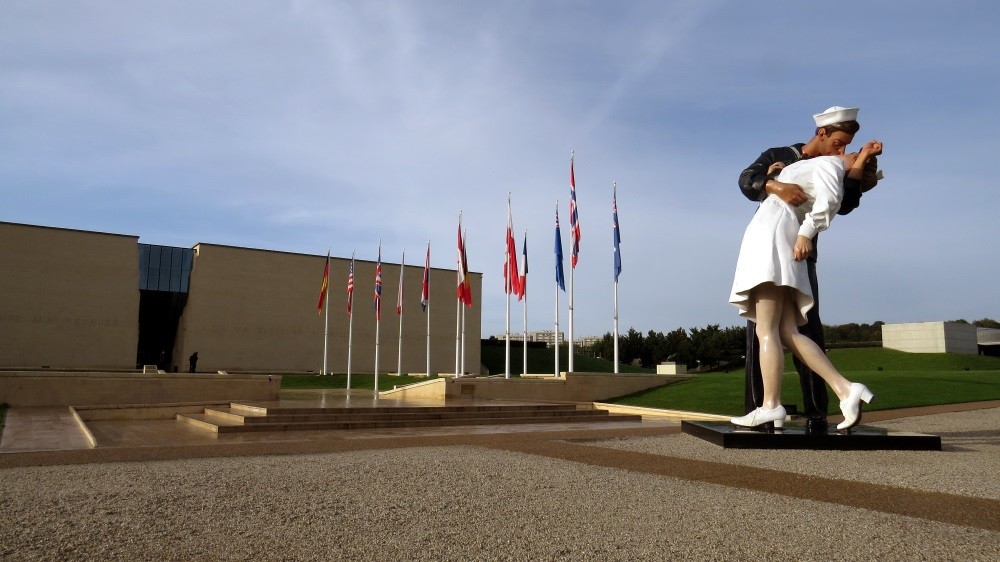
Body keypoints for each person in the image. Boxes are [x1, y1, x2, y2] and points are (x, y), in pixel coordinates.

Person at [737, 106, 880, 432]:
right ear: (822, 134)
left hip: (789, 249)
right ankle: (766, 406)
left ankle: (812, 412)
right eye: (839, 143)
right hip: (773, 244)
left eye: (848, 147)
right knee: (774, 331)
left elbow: (841, 204)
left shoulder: (830, 165)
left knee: (792, 329)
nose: (842, 151)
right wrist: (775, 184)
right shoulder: (780, 154)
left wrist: (858, 169)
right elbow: (747, 181)